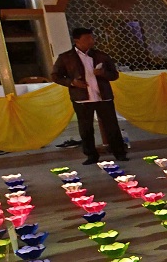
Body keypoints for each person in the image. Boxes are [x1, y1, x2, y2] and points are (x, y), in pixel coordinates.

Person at [51, 27, 128, 164]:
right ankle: (91, 155)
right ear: (77, 40)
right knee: (86, 128)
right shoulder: (66, 58)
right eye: (87, 38)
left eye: (92, 38)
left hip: (103, 96)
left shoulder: (101, 55)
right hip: (82, 98)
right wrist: (72, 82)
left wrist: (103, 73)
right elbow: (55, 76)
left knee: (111, 125)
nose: (91, 41)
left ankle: (119, 153)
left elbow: (114, 75)